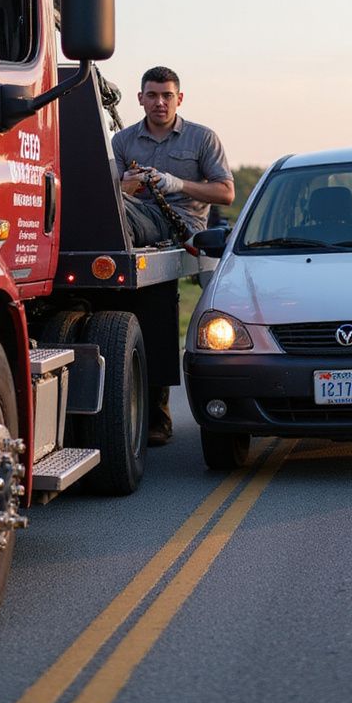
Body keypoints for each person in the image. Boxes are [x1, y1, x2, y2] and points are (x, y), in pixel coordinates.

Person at [111, 66, 234, 445]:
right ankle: (152, 415)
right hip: (142, 222)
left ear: (179, 98)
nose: (159, 102)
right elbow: (112, 192)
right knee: (113, 207)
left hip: (187, 226)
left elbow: (226, 193)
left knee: (222, 311)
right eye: (152, 95)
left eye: (167, 95)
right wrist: (126, 185)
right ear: (140, 99)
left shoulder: (202, 138)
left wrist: (176, 183)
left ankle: (232, 403)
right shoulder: (124, 141)